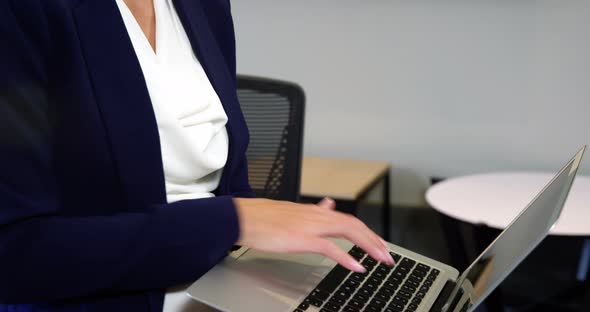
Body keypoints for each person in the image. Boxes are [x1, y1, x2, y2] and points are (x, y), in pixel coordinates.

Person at [0, 0, 393, 311]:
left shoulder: (203, 6)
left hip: (218, 280)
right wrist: (232, 221)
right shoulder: (22, 11)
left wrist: (266, 236)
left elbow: (225, 180)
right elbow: (14, 254)